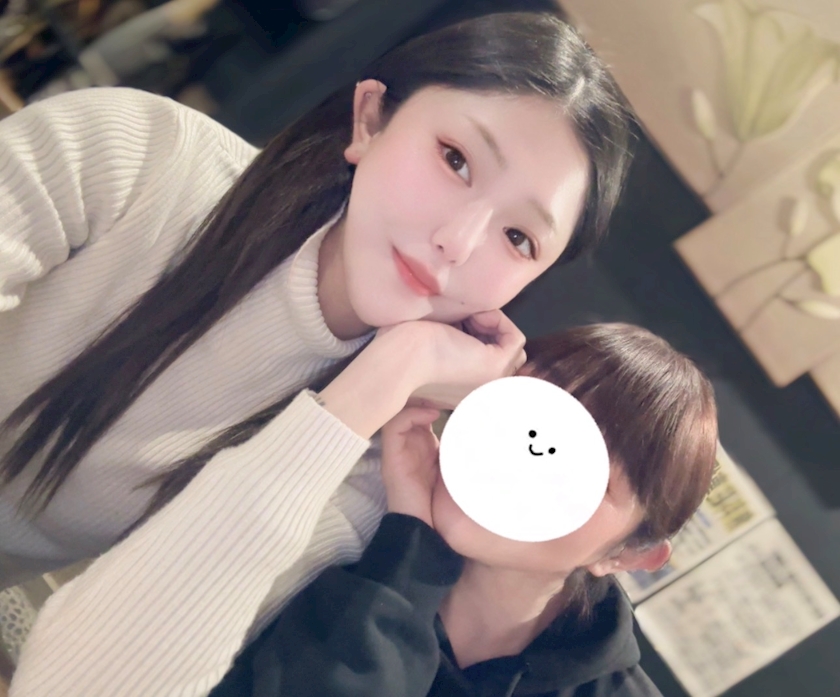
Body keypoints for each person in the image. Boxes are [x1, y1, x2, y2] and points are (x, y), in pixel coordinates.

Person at [0, 12, 634, 697]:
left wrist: (377, 384)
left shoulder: (371, 464)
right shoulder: (137, 158)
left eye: (518, 238)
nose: (457, 241)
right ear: (371, 120)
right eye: (455, 159)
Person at [208, 323, 718, 697]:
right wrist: (409, 543)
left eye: (581, 471)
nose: (522, 462)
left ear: (628, 555)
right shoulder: (322, 528)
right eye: (530, 416)